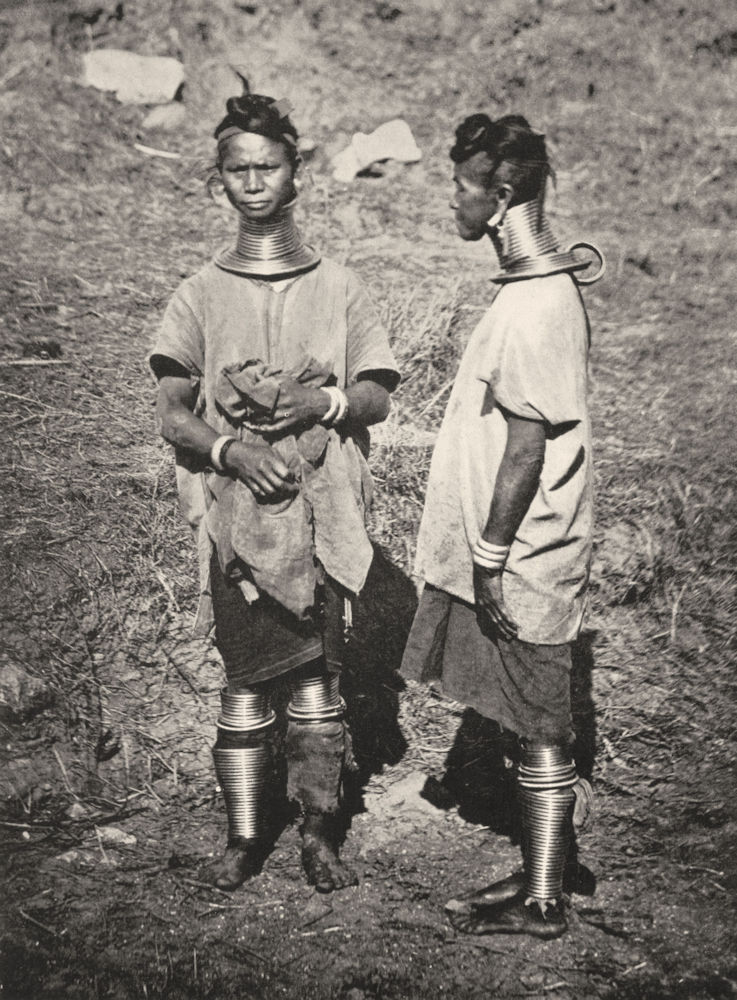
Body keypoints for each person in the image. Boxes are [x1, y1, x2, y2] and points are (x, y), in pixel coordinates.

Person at [150, 79, 399, 893]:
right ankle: (244, 836)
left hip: (321, 512)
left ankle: (320, 836)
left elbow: (376, 393)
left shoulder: (341, 287)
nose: (254, 183)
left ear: (298, 172)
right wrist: (229, 452)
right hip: (234, 517)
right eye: (237, 170)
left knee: (318, 685)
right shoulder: (198, 293)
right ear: (216, 180)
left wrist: (322, 402)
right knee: (244, 682)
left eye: (268, 167)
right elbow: (172, 413)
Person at [401, 113, 603, 938]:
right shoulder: (529, 295)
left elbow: (526, 442)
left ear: (501, 195)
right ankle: (535, 875)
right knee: (527, 722)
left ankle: (546, 898)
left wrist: (488, 557)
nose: (451, 198)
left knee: (541, 724)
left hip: (526, 554)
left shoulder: (537, 306)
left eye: (460, 184)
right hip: (515, 548)